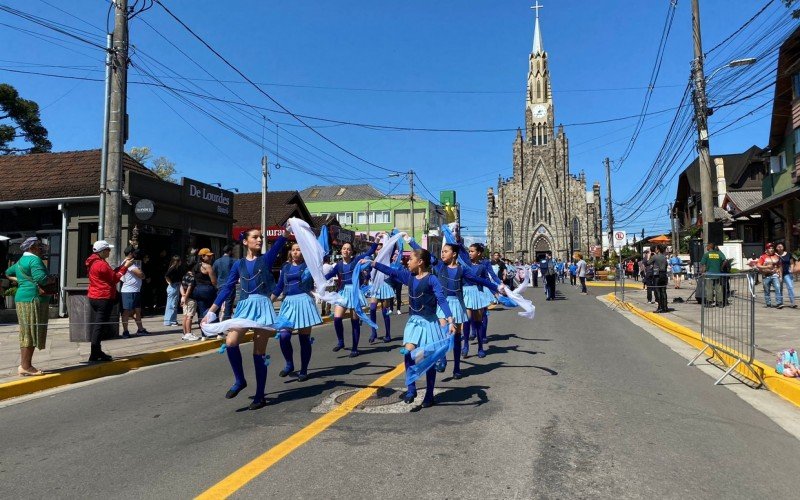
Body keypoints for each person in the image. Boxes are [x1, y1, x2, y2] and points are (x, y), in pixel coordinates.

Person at [200, 228, 288, 410]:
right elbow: (227, 288)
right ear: (245, 242)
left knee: (258, 352)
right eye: (255, 237)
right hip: (244, 307)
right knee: (231, 341)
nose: (259, 240)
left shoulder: (265, 259)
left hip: (263, 307)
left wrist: (286, 232)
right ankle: (240, 380)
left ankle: (260, 395)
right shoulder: (238, 264)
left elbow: (279, 245)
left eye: (261, 238)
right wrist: (212, 311)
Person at [369, 247, 456, 408]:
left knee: (429, 360)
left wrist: (450, 320)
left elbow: (442, 300)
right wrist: (374, 263)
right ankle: (411, 389)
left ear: (420, 262)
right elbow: (392, 272)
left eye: (411, 259)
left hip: (429, 322)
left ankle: (429, 395)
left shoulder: (432, 280)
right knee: (408, 353)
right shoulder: (409, 277)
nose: (407, 262)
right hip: (414, 322)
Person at [272, 241, 322, 382]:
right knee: (284, 336)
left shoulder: (309, 266)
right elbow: (279, 287)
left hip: (304, 301)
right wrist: (268, 302)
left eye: (298, 249)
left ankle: (304, 370)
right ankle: (289, 363)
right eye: (293, 250)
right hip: (288, 303)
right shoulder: (285, 267)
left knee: (304, 339)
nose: (295, 252)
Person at [324, 239, 380, 356]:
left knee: (354, 320)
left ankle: (355, 348)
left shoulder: (356, 261)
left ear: (352, 252)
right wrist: (318, 278)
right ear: (341, 250)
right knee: (337, 318)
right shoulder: (338, 265)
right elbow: (329, 275)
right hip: (343, 293)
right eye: (344, 248)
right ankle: (341, 341)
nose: (346, 250)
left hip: (354, 292)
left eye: (348, 249)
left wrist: (376, 241)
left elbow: (370, 251)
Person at [5, 237, 52, 376]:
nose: (40, 248)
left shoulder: (21, 260)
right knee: (30, 332)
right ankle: (26, 366)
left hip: (22, 297)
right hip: (32, 299)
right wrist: (51, 279)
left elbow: (8, 273)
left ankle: (25, 365)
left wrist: (21, 281)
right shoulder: (34, 260)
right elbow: (41, 279)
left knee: (27, 331)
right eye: (38, 245)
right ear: (31, 247)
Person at [86, 240, 134, 362]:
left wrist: (122, 266)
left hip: (95, 296)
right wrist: (125, 268)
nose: (109, 251)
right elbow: (114, 278)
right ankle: (94, 353)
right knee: (99, 326)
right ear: (102, 251)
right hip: (103, 297)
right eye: (108, 249)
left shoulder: (94, 261)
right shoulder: (101, 264)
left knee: (100, 325)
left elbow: (110, 274)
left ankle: (97, 351)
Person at [120, 246, 147, 338]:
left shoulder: (132, 263)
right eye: (134, 253)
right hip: (129, 291)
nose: (136, 254)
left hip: (135, 290)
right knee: (127, 312)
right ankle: (125, 331)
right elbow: (140, 274)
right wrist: (142, 274)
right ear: (131, 253)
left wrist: (141, 274)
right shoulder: (129, 263)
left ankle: (140, 329)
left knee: (137, 311)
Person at [193, 248, 218, 336]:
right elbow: (214, 281)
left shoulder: (195, 266)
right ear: (202, 256)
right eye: (209, 256)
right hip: (207, 290)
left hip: (197, 290)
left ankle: (204, 333)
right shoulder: (208, 266)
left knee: (201, 311)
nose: (211, 257)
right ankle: (216, 332)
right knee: (212, 311)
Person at [212, 245, 236, 321]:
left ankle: (215, 320)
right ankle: (226, 320)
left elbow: (213, 273)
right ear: (230, 251)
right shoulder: (234, 261)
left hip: (220, 284)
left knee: (218, 303)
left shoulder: (217, 261)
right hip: (230, 284)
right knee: (228, 304)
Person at [699, 243, 726, 307]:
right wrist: (721, 268)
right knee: (719, 288)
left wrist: (702, 272)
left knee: (709, 288)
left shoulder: (706, 254)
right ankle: (720, 303)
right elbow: (725, 260)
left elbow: (702, 264)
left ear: (709, 247)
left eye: (707, 246)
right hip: (718, 274)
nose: (706, 248)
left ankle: (709, 302)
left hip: (709, 274)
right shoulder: (719, 253)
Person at [757, 243, 783, 309]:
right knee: (767, 290)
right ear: (766, 249)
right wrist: (766, 266)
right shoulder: (763, 257)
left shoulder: (776, 256)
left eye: (772, 248)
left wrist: (780, 276)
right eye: (769, 248)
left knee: (777, 288)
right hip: (766, 276)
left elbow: (779, 266)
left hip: (775, 275)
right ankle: (768, 304)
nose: (771, 249)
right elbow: (758, 265)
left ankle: (779, 303)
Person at [180, 267, 199, 341]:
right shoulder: (192, 278)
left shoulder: (184, 276)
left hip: (185, 298)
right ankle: (189, 333)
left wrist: (183, 296)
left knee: (185, 316)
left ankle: (185, 333)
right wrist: (186, 297)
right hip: (191, 299)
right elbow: (189, 288)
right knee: (190, 317)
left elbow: (181, 286)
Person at [775, 243, 796, 308]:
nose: (780, 247)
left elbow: (792, 263)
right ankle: (780, 303)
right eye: (778, 246)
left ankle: (793, 302)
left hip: (787, 273)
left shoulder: (788, 254)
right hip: (778, 273)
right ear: (776, 248)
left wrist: (792, 270)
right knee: (779, 288)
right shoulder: (775, 255)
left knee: (790, 287)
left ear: (783, 247)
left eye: (781, 246)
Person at [163, 255, 183, 327]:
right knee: (172, 304)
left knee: (173, 303)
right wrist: (170, 282)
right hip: (173, 286)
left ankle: (172, 320)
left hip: (175, 286)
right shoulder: (173, 268)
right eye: (179, 261)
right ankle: (170, 321)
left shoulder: (175, 268)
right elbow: (166, 276)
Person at [652, 245, 669, 313]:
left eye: (656, 249)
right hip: (664, 275)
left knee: (657, 291)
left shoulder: (655, 256)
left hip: (657, 275)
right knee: (663, 291)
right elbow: (666, 265)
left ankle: (660, 307)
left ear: (658, 250)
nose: (655, 250)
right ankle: (665, 307)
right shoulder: (664, 257)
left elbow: (647, 263)